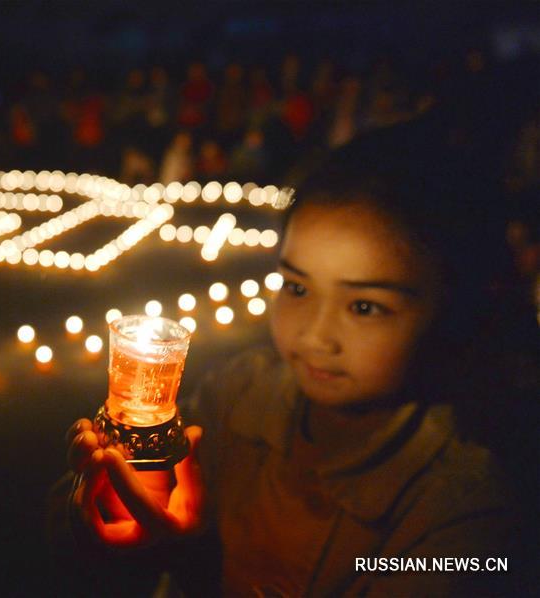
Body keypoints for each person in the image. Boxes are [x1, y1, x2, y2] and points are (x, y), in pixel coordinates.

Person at [49, 115, 539, 596]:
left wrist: (189, 559)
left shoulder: (460, 507)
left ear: (452, 309)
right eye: (297, 288)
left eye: (364, 306)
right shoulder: (240, 394)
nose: (315, 336)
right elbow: (97, 535)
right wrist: (104, 510)